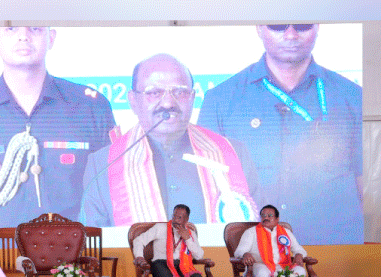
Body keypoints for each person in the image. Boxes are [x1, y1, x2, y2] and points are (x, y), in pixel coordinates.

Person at [198, 24, 363, 245]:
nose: (291, 34)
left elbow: (365, 187)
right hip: (254, 250)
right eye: (278, 25)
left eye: (302, 25)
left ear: (317, 27)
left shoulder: (353, 97)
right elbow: (207, 190)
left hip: (334, 248)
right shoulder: (220, 100)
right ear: (259, 28)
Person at [0, 26, 115, 245]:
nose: (23, 36)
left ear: (51, 37)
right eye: (11, 29)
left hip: (73, 256)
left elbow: (109, 192)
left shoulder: (89, 107)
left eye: (34, 28)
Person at [81, 53, 258, 226]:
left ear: (192, 98)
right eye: (154, 93)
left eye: (180, 92)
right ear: (133, 101)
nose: (168, 103)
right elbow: (93, 241)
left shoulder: (233, 153)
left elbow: (257, 233)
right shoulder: (103, 165)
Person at [235, 204, 308, 277]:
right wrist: (245, 254)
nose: (266, 218)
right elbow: (239, 251)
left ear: (277, 219)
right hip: (260, 265)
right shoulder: (252, 232)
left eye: (270, 215)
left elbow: (299, 249)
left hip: (283, 265)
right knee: (263, 274)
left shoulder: (285, 232)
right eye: (263, 215)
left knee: (300, 272)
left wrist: (299, 255)